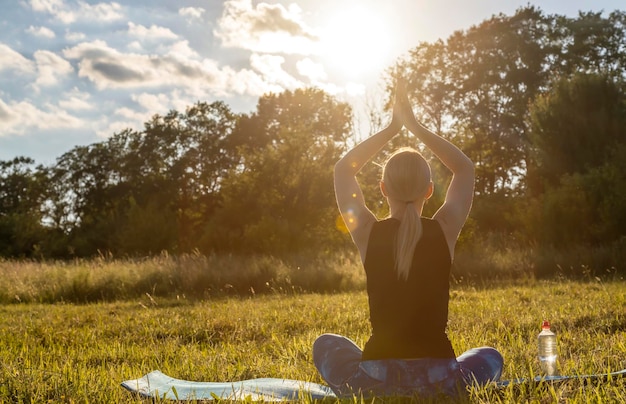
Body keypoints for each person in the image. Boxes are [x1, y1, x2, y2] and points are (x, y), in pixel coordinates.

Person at [312, 80, 503, 399]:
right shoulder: (445, 228)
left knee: (326, 343)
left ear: (383, 189)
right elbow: (464, 169)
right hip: (442, 380)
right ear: (429, 191)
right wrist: (415, 126)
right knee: (489, 355)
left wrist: (392, 128)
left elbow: (344, 170)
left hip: (375, 380)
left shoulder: (368, 232)